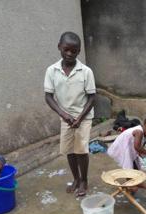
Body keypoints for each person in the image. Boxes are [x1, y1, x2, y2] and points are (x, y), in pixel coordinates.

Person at [44, 31, 96, 197]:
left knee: (81, 150)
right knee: (69, 151)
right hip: (65, 118)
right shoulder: (52, 71)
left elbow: (92, 97)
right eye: (66, 49)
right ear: (59, 47)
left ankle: (84, 180)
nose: (69, 54)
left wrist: (80, 118)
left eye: (74, 51)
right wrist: (63, 114)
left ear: (79, 51)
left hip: (84, 117)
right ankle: (75, 178)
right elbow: (48, 96)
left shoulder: (86, 71)